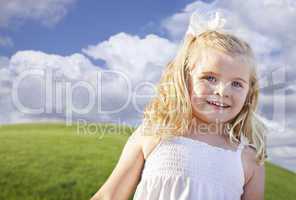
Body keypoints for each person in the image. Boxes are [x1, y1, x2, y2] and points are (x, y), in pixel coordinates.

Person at [90, 10, 268, 200]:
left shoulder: (249, 160)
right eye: (210, 77)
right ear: (184, 79)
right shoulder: (155, 134)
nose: (222, 91)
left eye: (236, 84)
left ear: (249, 92)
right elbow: (109, 196)